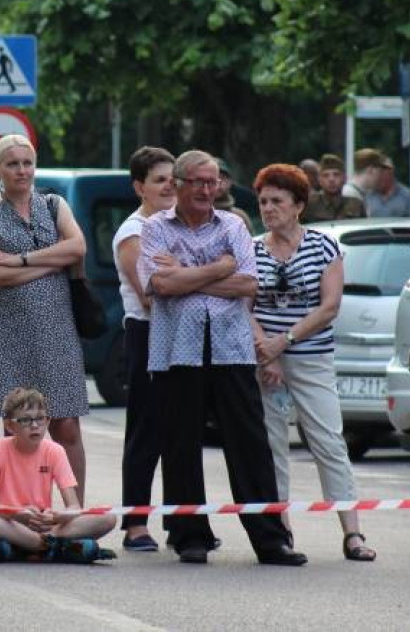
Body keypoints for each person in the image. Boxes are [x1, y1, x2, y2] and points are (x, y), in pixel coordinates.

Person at [136, 149, 305, 566]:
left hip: (230, 347)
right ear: (177, 185)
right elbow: (158, 285)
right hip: (178, 349)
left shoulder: (233, 224)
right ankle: (189, 535)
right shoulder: (155, 228)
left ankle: (270, 538)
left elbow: (248, 285)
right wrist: (218, 268)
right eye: (199, 182)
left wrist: (188, 275)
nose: (209, 190)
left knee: (250, 443)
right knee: (181, 442)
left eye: (214, 182)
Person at [250, 164, 376, 561]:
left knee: (328, 441)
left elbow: (330, 306)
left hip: (312, 357)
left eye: (277, 201)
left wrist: (284, 341)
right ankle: (281, 529)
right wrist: (265, 349)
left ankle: (352, 533)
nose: (269, 208)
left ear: (299, 205)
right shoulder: (252, 248)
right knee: (271, 448)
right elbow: (242, 305)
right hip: (264, 360)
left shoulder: (323, 246)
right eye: (263, 201)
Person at [0, 135, 91, 503]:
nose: (21, 170)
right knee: (17, 426)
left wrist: (20, 260)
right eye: (12, 163)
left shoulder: (54, 204)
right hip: (8, 331)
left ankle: (74, 510)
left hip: (57, 330)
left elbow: (77, 247)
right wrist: (51, 261)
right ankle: (17, 506)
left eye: (27, 162)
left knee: (66, 423)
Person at [0, 388, 116, 563]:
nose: (35, 425)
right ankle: (47, 546)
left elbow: (73, 505)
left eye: (40, 419)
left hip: (44, 525)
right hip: (10, 523)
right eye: (26, 420)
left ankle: (28, 546)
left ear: (48, 421)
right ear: (10, 426)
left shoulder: (55, 450)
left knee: (108, 516)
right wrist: (16, 513)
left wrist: (58, 516)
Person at [111, 146, 175, 552]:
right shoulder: (132, 232)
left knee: (181, 432)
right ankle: (135, 523)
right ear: (140, 187)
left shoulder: (178, 226)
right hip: (148, 332)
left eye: (173, 178)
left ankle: (183, 523)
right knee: (145, 431)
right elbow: (151, 296)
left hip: (183, 335)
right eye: (159, 180)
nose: (169, 186)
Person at [302, 154, 366, 223]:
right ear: (319, 180)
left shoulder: (355, 204)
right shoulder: (310, 204)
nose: (331, 179)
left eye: (336, 174)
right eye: (325, 175)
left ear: (344, 178)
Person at [213, 157, 252, 232]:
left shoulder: (240, 216)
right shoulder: (194, 216)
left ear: (230, 182)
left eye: (222, 178)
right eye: (213, 179)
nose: (218, 182)